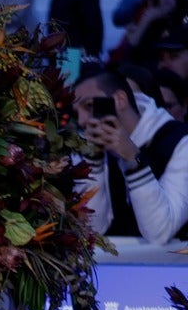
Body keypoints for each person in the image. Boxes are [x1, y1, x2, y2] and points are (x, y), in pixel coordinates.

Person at [73, 69, 188, 244]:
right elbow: (91, 232)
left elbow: (159, 233)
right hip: (109, 268)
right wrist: (93, 162)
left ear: (120, 100)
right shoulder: (86, 145)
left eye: (89, 106)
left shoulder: (181, 142)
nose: (81, 120)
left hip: (174, 267)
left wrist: (133, 160)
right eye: (77, 112)